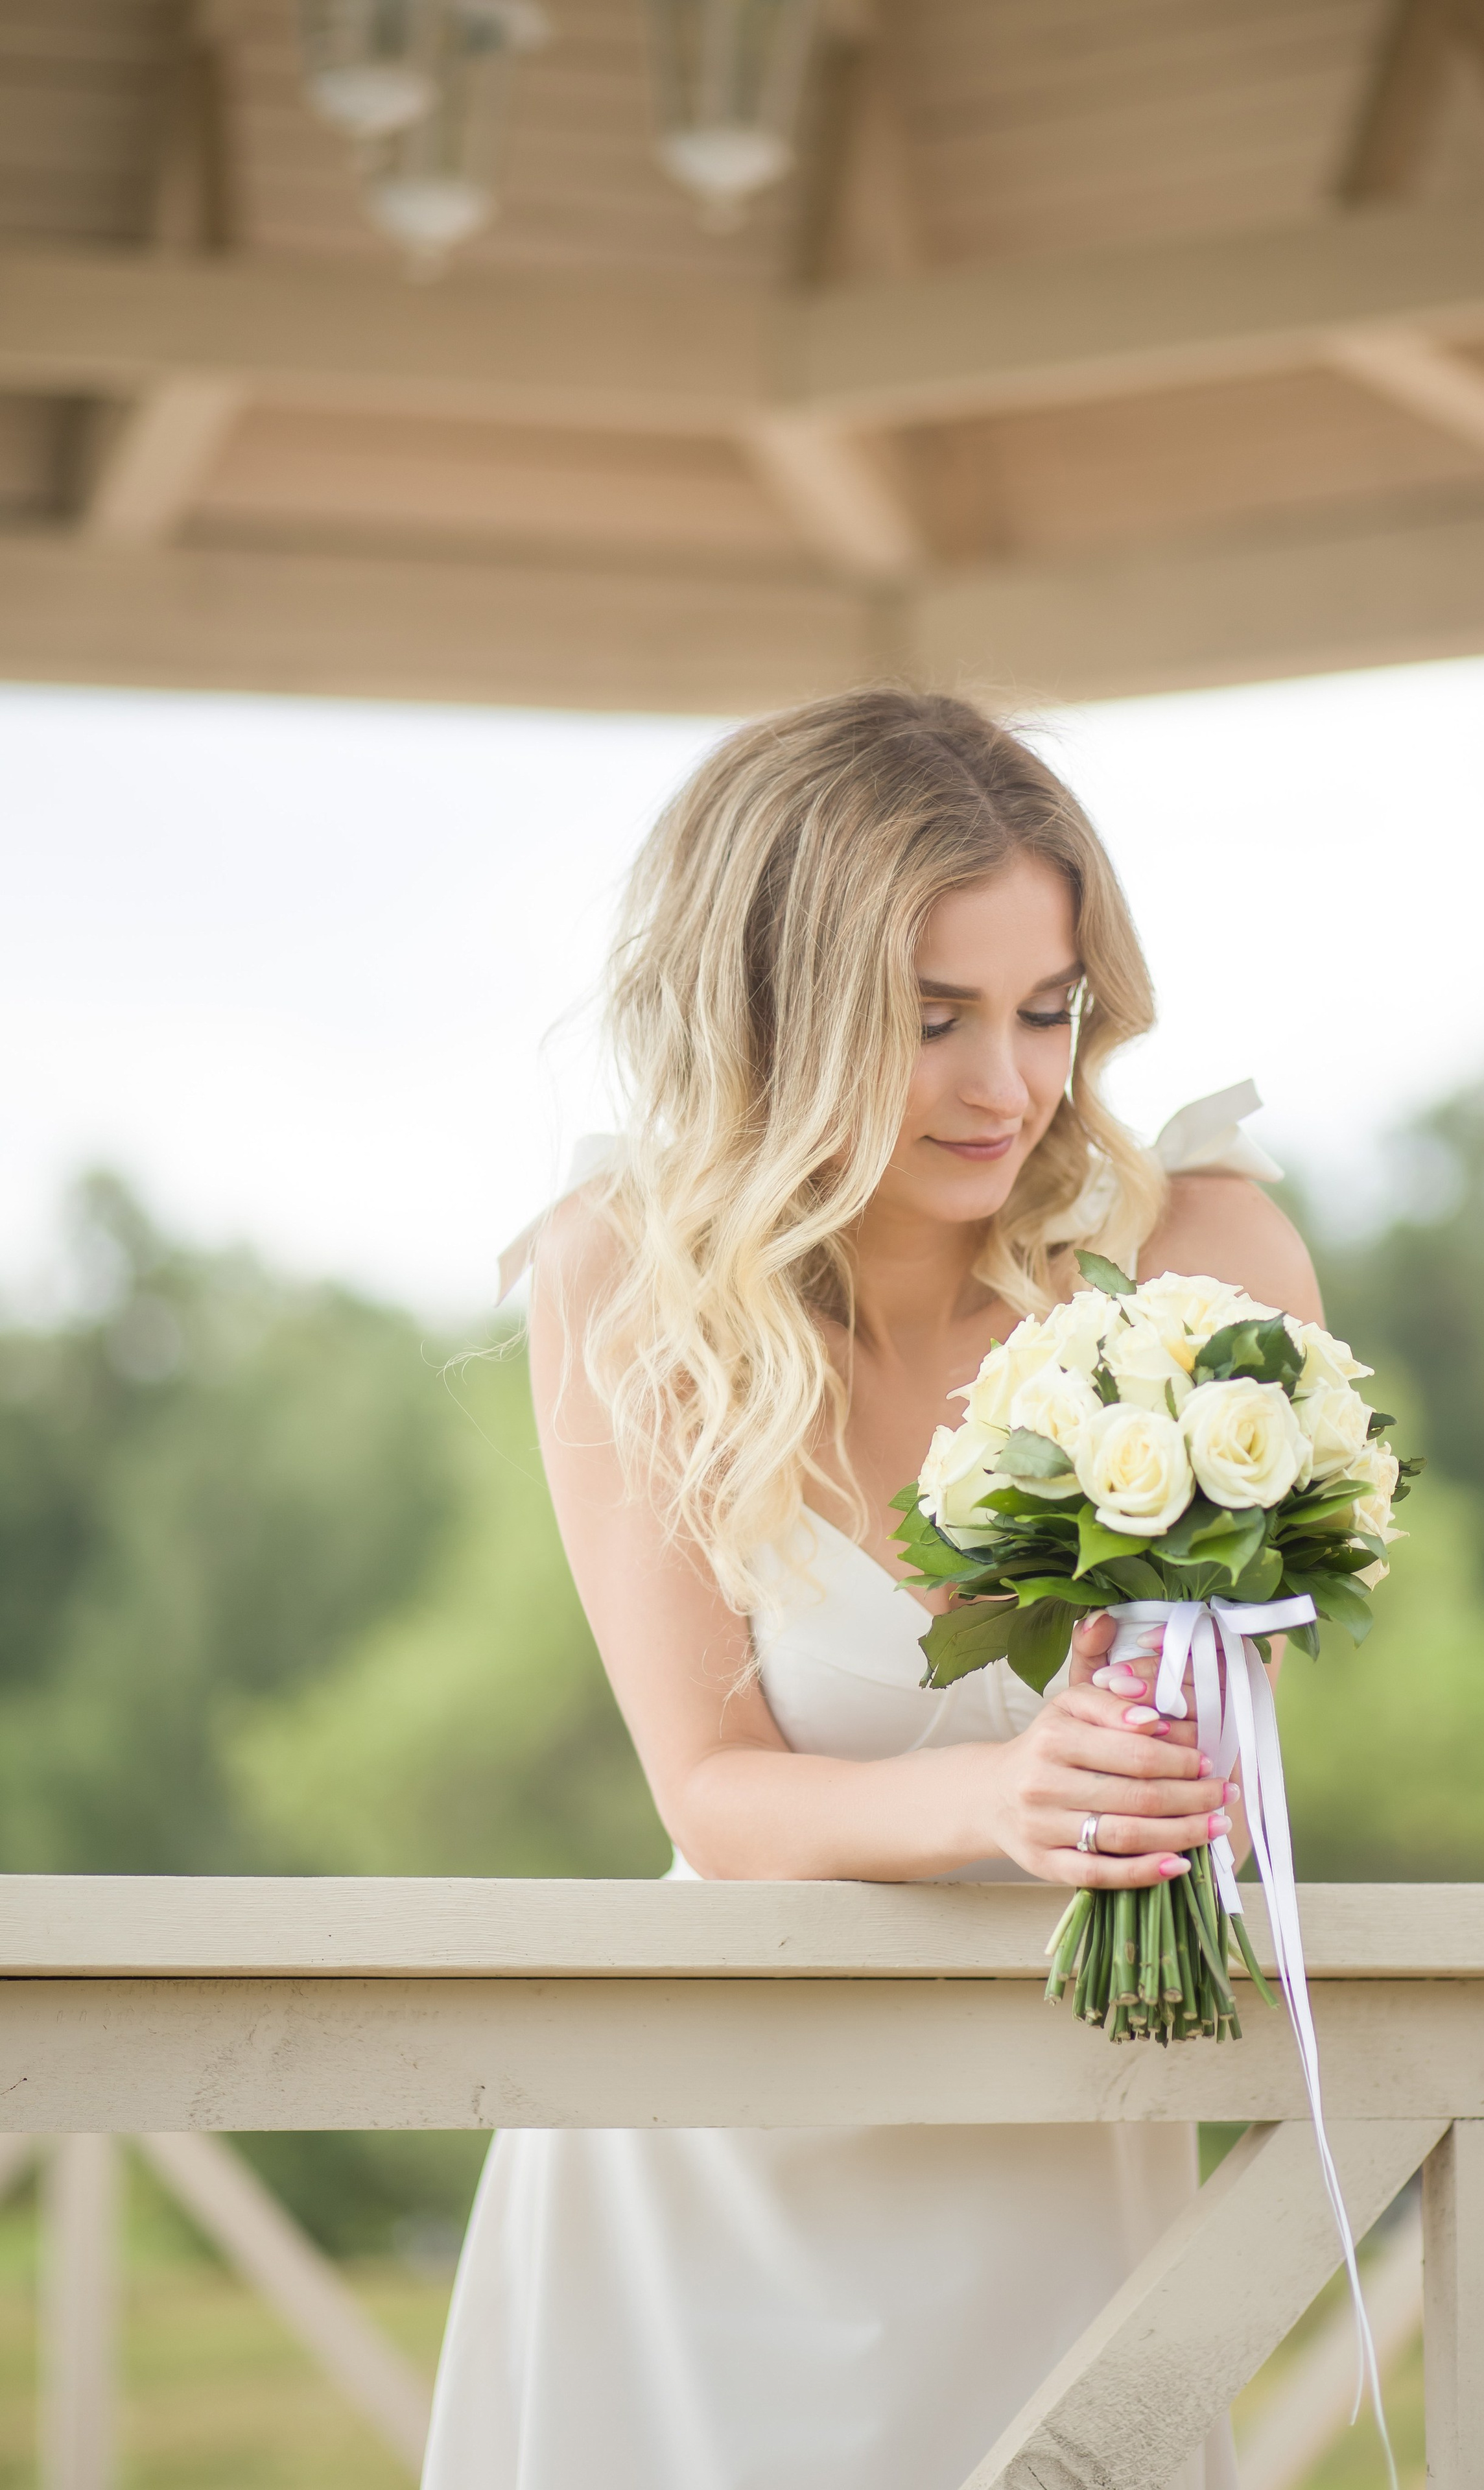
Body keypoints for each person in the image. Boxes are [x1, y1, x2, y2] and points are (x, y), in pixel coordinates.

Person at [423, 689, 1323, 2490]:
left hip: (1063, 2164)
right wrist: (1005, 1793)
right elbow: (712, 1789)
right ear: (778, 1013)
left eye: (1047, 1010)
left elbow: (1219, 1741)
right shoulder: (628, 1277)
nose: (1009, 1086)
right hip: (698, 2187)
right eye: (930, 1021)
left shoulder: (1203, 1259)